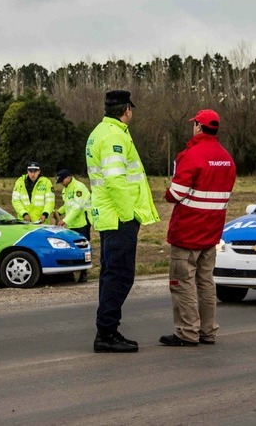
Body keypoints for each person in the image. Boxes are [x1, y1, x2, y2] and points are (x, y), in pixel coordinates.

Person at [86, 89, 159, 353]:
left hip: (109, 217)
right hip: (119, 218)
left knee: (111, 275)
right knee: (119, 275)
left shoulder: (101, 133)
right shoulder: (114, 136)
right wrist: (129, 215)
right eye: (131, 109)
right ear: (126, 110)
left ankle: (107, 329)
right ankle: (106, 333)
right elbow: (116, 179)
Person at [159, 109, 236, 347]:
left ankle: (187, 331)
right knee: (206, 282)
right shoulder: (226, 158)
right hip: (211, 231)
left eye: (194, 124)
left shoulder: (191, 155)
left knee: (182, 282)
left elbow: (175, 194)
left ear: (199, 127)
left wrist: (167, 193)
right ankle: (208, 331)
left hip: (188, 232)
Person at [54, 169, 91, 283]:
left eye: (62, 180)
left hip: (83, 222)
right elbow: (68, 205)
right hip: (72, 223)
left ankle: (84, 273)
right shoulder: (66, 189)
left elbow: (77, 207)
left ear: (69, 177)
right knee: (70, 248)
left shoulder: (79, 187)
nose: (61, 183)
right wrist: (58, 212)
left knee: (83, 249)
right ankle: (70, 274)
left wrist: (64, 220)